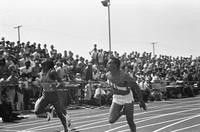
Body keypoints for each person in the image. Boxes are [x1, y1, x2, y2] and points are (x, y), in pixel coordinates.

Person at [106, 57, 147, 132]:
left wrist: (141, 101)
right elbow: (113, 85)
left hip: (127, 97)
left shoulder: (124, 76)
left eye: (109, 63)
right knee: (111, 120)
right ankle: (122, 112)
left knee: (130, 121)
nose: (107, 64)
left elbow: (136, 87)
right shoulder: (108, 75)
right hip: (117, 98)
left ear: (115, 65)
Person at [34, 59, 71, 132]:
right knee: (37, 111)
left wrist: (55, 87)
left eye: (44, 62)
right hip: (45, 95)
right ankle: (49, 110)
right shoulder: (41, 72)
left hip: (53, 95)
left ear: (48, 64)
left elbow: (61, 82)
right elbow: (42, 85)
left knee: (59, 113)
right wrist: (40, 94)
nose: (42, 62)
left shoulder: (52, 72)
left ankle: (66, 129)